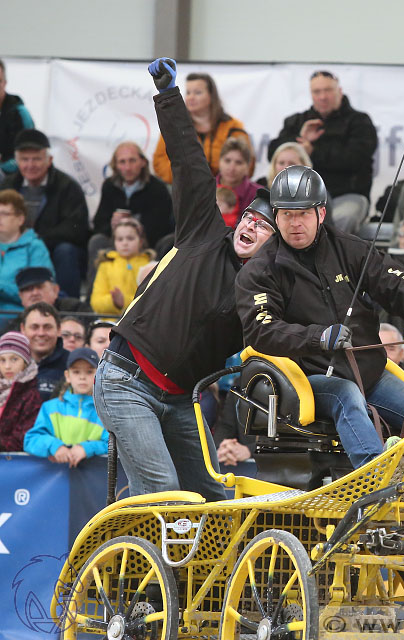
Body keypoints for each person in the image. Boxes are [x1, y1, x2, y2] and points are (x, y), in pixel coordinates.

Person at [94, 58, 275, 501]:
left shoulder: (265, 295)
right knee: (164, 490)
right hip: (126, 380)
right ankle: (133, 558)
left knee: (214, 496)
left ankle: (160, 550)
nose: (251, 226)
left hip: (178, 398)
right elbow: (190, 162)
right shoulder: (204, 230)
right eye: (249, 217)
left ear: (275, 247)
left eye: (263, 227)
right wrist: (168, 95)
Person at [236, 163, 404, 473]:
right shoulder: (259, 271)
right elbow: (261, 330)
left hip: (369, 373)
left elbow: (395, 282)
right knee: (345, 394)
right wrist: (318, 337)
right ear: (277, 215)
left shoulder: (349, 249)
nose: (295, 223)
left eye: (303, 214)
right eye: (287, 215)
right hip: (306, 380)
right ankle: (375, 481)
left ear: (320, 214)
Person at [267, 71, 377, 234]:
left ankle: (335, 258)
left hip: (346, 195)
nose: (323, 96)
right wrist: (299, 140)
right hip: (299, 198)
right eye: (317, 92)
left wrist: (313, 151)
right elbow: (274, 153)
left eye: (328, 90)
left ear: (339, 91)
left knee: (343, 219)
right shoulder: (296, 122)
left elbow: (356, 158)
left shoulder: (360, 122)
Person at [1, 129, 89, 297]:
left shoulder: (68, 187)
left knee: (66, 251)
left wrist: (37, 239)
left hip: (52, 247)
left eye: (36, 159)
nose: (30, 165)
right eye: (25, 159)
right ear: (17, 162)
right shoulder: (8, 185)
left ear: (49, 160)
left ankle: (66, 305)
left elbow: (76, 229)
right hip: (13, 244)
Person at [89, 141, 173, 275]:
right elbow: (99, 224)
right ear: (115, 165)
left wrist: (132, 226)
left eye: (132, 161)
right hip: (117, 242)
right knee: (97, 241)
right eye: (122, 162)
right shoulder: (109, 186)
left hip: (148, 244)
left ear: (143, 162)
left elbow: (161, 228)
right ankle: (94, 294)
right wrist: (112, 224)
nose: (127, 167)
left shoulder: (157, 188)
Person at [152, 71, 251, 184]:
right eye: (188, 92)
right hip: (184, 189)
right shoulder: (174, 126)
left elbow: (247, 162)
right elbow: (159, 162)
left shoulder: (233, 127)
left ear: (211, 96)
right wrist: (186, 174)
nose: (191, 97)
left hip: (225, 192)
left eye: (198, 93)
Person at [23, 347, 107, 466]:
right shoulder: (50, 408)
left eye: (89, 372)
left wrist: (87, 448)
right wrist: (55, 446)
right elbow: (31, 440)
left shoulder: (106, 412)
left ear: (98, 374)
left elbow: (115, 445)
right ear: (67, 376)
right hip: (55, 481)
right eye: (76, 371)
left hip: (93, 482)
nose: (82, 377)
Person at [0, 189, 53, 315]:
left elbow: (40, 293)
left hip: (21, 317)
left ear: (20, 219)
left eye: (4, 214)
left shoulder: (35, 248)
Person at [90, 218, 155, 316]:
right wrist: (114, 303)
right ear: (114, 242)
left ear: (141, 241)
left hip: (139, 322)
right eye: (120, 239)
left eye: (130, 238)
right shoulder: (105, 264)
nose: (125, 243)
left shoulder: (149, 266)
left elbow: (150, 301)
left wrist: (123, 301)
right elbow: (95, 302)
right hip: (109, 321)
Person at [5, 266, 90, 332]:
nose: (34, 293)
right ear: (21, 296)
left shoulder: (76, 309)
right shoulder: (15, 325)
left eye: (39, 287)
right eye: (28, 289)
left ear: (55, 290)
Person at [0, 331, 41, 451]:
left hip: (11, 464)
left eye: (14, 359)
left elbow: (22, 438)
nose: (7, 366)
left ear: (25, 362)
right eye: (2, 360)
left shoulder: (31, 396)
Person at [20, 301, 68, 400]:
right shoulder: (6, 363)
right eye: (34, 327)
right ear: (23, 329)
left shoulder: (71, 365)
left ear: (59, 329)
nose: (41, 333)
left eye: (47, 327)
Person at [0, 60, 34, 179]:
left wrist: (3, 166)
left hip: (12, 175)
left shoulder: (20, 113)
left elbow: (30, 152)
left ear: (5, 83)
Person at [217, 137, 258, 214]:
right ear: (219, 162)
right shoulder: (205, 189)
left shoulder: (258, 195)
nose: (231, 168)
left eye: (238, 162)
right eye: (227, 160)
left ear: (248, 166)